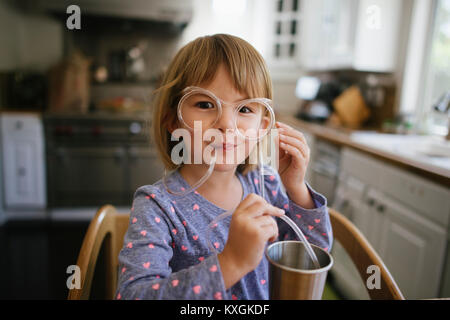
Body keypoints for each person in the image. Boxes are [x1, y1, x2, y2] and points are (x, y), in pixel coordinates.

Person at [115, 34, 333, 300]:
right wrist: (231, 262)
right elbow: (133, 295)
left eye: (245, 109)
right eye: (205, 104)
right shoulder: (158, 207)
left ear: (262, 126)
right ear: (173, 120)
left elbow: (312, 256)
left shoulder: (266, 184)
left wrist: (297, 188)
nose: (227, 124)